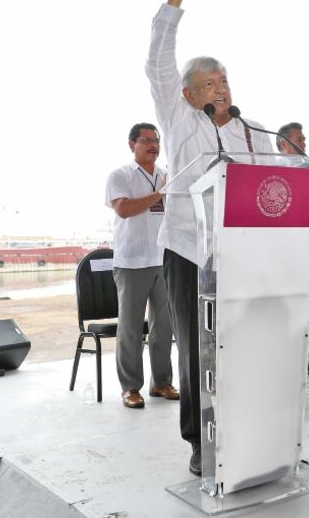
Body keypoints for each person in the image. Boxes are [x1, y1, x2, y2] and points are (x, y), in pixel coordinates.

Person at [146, 0, 275, 476]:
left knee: (241, 344)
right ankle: (201, 441)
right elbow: (156, 59)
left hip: (240, 253)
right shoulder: (177, 118)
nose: (222, 88)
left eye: (225, 81)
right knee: (198, 348)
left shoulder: (250, 131)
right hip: (187, 249)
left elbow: (274, 189)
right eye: (212, 83)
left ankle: (246, 430)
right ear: (189, 92)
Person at [105, 123, 178, 409]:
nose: (153, 146)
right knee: (131, 329)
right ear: (131, 144)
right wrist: (161, 194)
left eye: (156, 141)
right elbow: (124, 209)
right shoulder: (120, 175)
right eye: (146, 140)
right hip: (132, 262)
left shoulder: (167, 176)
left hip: (164, 260)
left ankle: (161, 382)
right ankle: (130, 387)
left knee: (164, 327)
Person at [275, 122, 309, 375]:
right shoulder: (271, 168)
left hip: (303, 247)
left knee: (302, 306)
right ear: (283, 143)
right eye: (299, 139)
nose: (304, 143)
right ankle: (281, 356)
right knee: (280, 307)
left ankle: (304, 356)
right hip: (278, 250)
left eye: (304, 138)